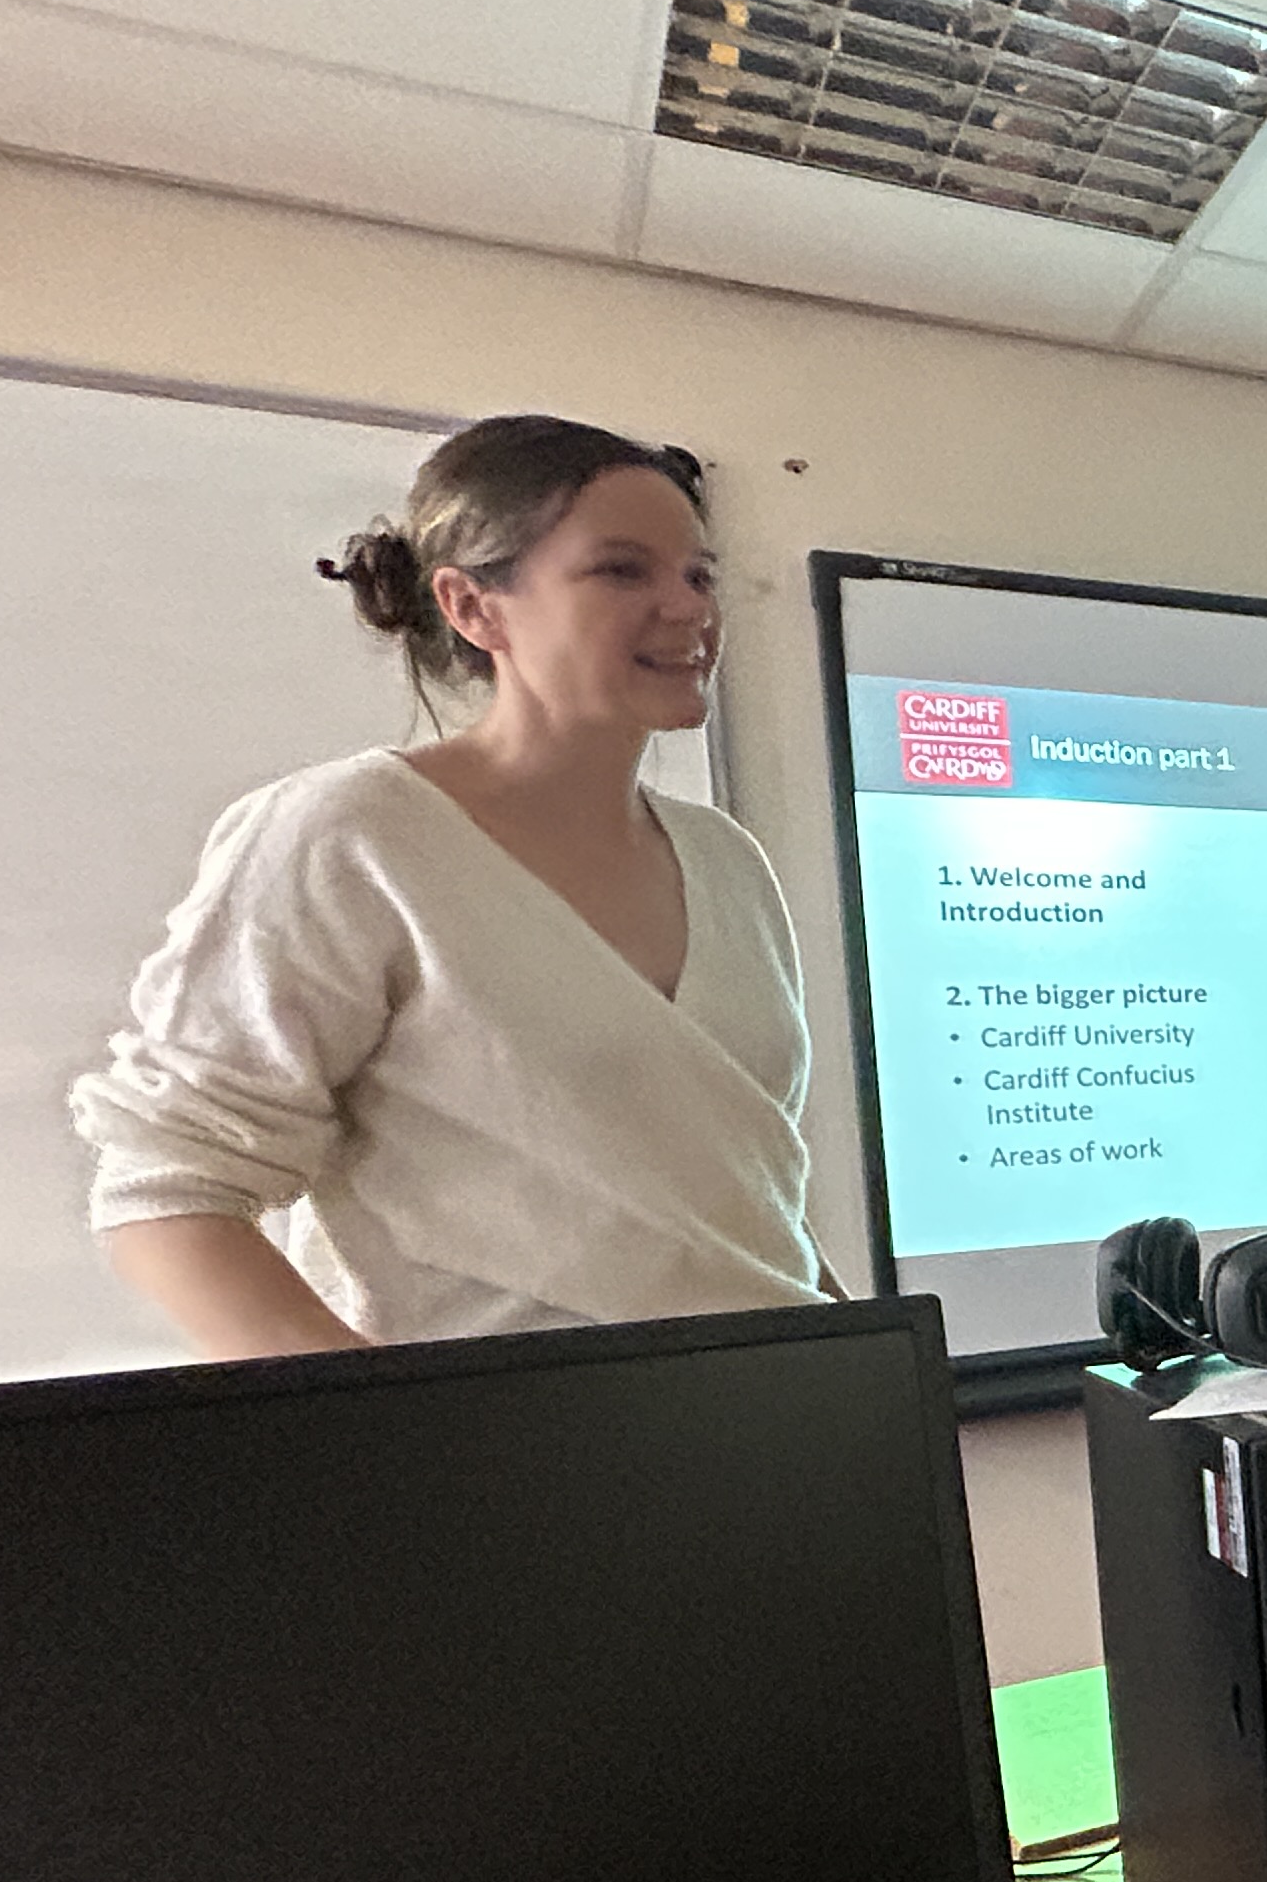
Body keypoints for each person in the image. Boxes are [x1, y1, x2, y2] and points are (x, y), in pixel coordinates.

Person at [74, 414, 831, 1355]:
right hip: (491, 1430)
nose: (688, 608)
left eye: (700, 575)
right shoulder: (353, 835)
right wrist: (395, 1427)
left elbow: (743, 1212)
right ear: (474, 607)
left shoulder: (725, 860)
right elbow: (167, 1192)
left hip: (773, 1414)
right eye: (622, 571)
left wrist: (871, 1383)